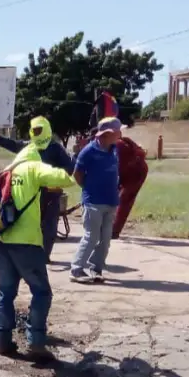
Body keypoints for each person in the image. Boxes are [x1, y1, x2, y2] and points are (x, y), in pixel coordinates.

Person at [0, 158, 76, 362]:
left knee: (5, 291)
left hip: (0, 238)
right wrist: (75, 164)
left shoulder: (8, 169)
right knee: (41, 292)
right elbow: (67, 179)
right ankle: (36, 342)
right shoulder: (34, 166)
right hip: (26, 242)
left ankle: (3, 341)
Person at [0, 116, 74, 262]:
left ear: (47, 130)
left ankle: (43, 257)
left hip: (50, 195)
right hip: (30, 194)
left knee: (49, 228)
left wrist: (58, 181)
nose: (37, 133)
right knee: (23, 225)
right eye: (34, 130)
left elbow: (70, 169)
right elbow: (13, 144)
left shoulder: (56, 148)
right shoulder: (29, 146)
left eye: (39, 130)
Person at [71, 117, 121, 283]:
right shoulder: (88, 152)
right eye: (117, 131)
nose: (120, 134)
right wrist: (89, 188)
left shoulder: (114, 149)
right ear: (107, 133)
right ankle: (77, 269)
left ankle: (96, 268)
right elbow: (77, 175)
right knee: (91, 237)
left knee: (105, 239)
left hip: (111, 201)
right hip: (93, 202)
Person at [112, 125, 148, 239]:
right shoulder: (119, 144)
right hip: (130, 171)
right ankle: (111, 229)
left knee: (124, 200)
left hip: (136, 173)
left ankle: (114, 232)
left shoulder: (118, 146)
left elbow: (118, 168)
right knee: (119, 198)